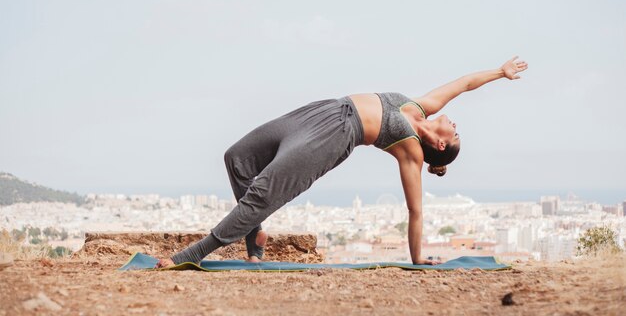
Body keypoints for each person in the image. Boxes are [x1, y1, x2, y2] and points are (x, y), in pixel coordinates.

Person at [155, 56, 528, 267]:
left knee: (265, 191)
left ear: (441, 145)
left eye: (456, 132)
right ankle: (255, 236)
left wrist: (417, 260)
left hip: (332, 138)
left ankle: (193, 255)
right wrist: (500, 72)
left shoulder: (411, 149)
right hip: (324, 110)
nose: (455, 122)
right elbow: (463, 83)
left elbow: (416, 211)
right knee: (237, 156)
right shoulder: (421, 107)